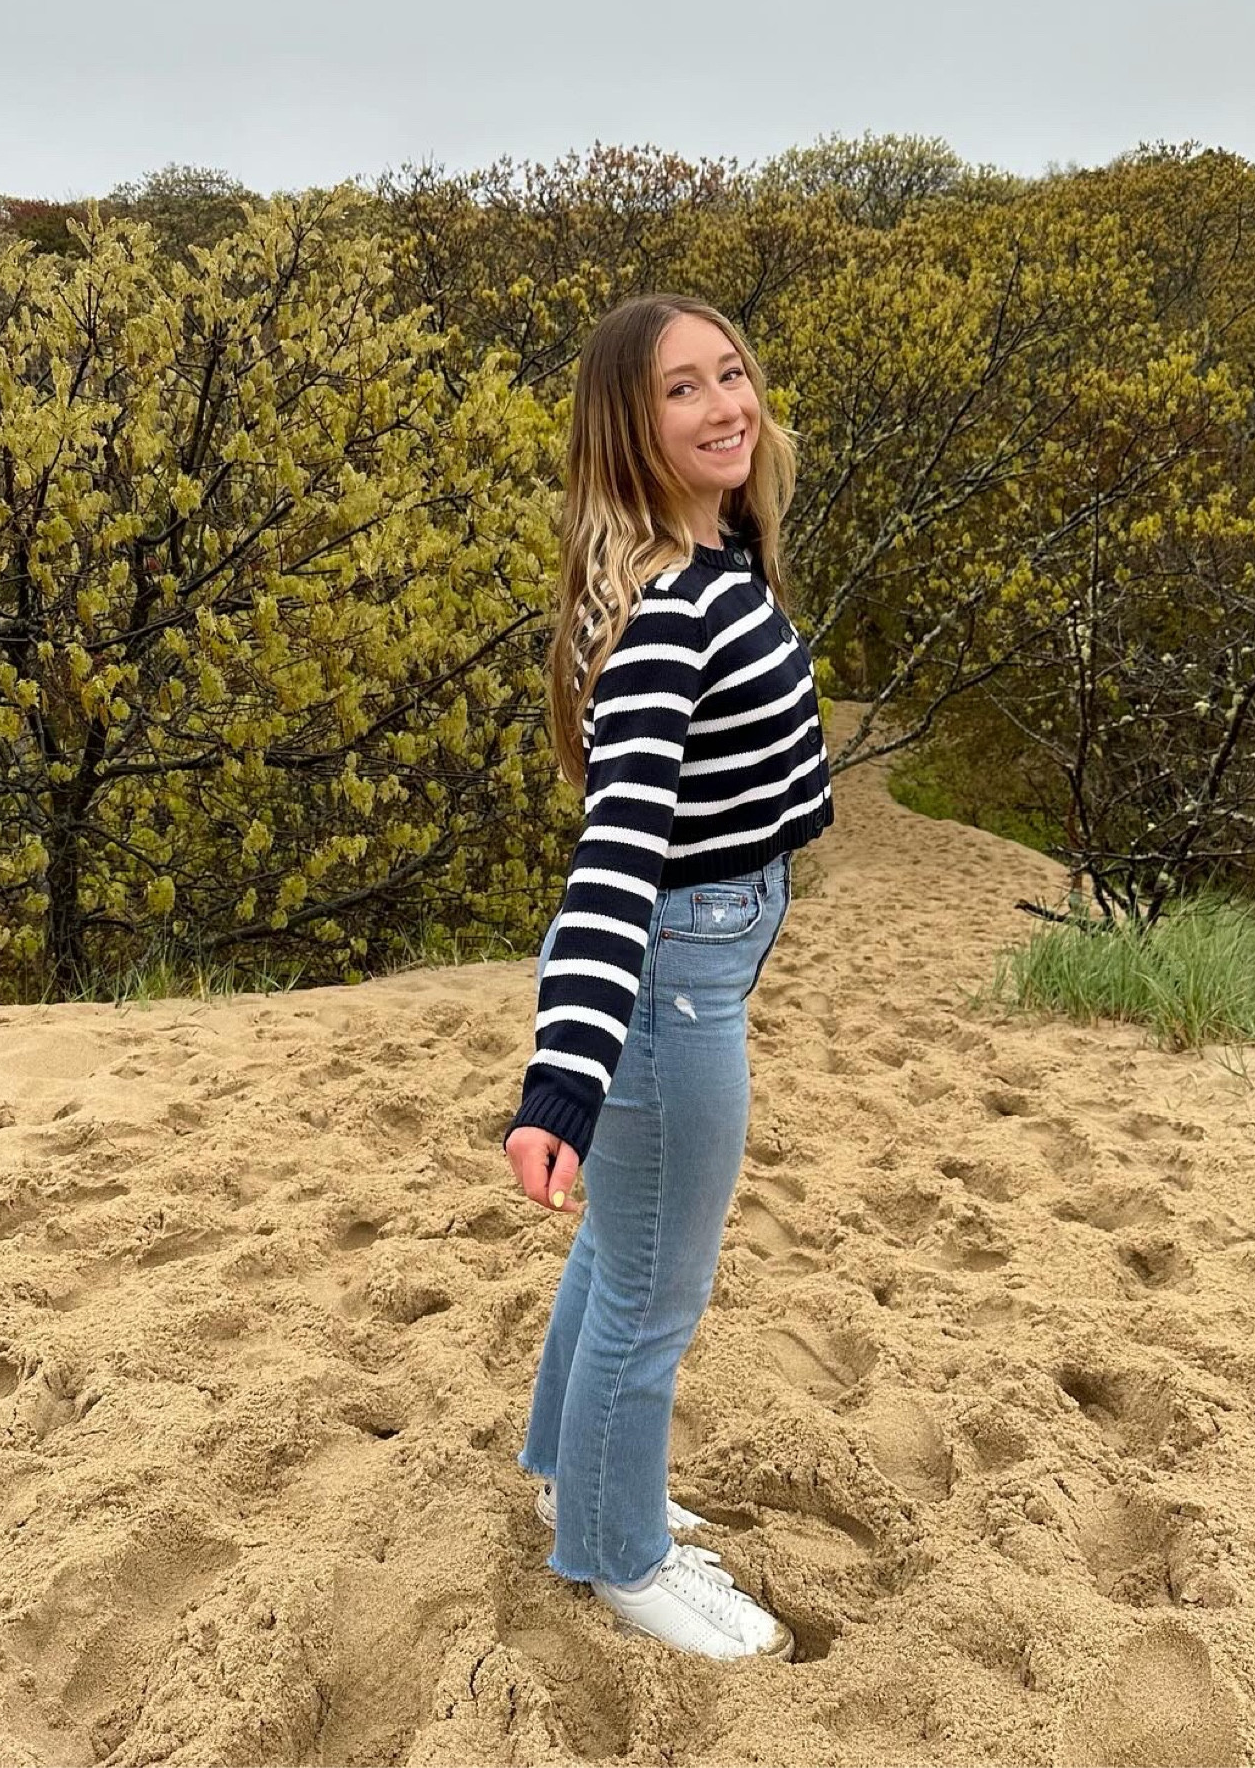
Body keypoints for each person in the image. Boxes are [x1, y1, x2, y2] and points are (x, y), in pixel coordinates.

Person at [502, 292, 835, 1661]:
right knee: (656, 1288)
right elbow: (612, 863)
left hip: (698, 966)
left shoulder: (711, 559)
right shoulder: (665, 620)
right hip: (662, 991)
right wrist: (560, 1086)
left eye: (734, 374)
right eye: (682, 392)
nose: (724, 407)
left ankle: (563, 1471)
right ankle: (614, 1551)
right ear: (626, 433)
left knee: (619, 1256)